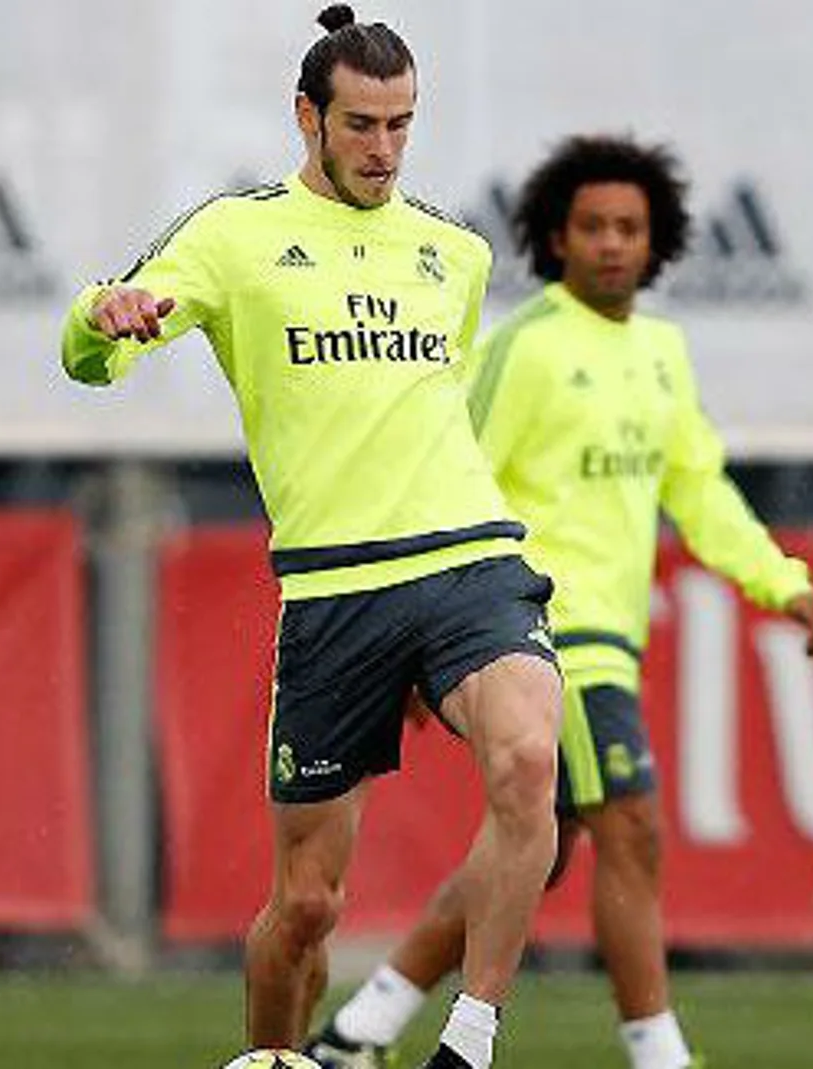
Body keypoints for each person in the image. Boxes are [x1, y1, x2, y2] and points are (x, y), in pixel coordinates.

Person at [59, 8, 563, 1068]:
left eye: (402, 124)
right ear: (308, 117)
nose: (383, 149)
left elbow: (435, 412)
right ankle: (274, 1057)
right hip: (336, 594)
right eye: (362, 123)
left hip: (469, 562)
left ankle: (468, 1040)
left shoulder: (452, 252)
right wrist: (103, 316)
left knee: (526, 763)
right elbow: (90, 358)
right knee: (306, 907)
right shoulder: (234, 237)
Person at [307, 134, 813, 1069]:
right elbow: (452, 472)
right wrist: (425, 631)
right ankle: (659, 1051)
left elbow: (699, 488)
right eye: (591, 225)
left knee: (536, 852)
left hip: (613, 637)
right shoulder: (525, 347)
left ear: (656, 240)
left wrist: (781, 581)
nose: (610, 243)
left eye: (629, 227)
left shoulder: (663, 352)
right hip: (538, 627)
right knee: (629, 822)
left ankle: (364, 1025)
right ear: (554, 238)